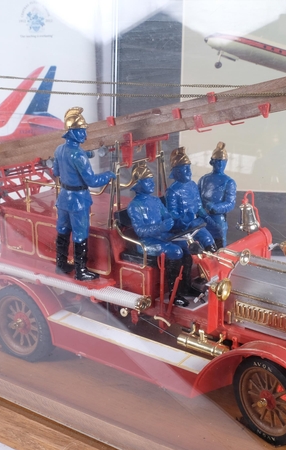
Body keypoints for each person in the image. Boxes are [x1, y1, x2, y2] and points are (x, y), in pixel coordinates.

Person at [53, 107, 115, 281]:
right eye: (81, 131)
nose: (84, 135)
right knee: (80, 234)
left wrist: (82, 157)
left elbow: (55, 171)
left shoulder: (59, 150)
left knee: (63, 230)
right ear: (71, 131)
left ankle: (61, 264)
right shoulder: (78, 156)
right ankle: (81, 270)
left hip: (64, 197)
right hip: (78, 201)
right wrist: (109, 175)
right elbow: (92, 181)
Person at [126, 163, 190, 307]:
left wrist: (177, 220)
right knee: (175, 251)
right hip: (146, 242)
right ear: (138, 184)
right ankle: (174, 294)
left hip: (162, 236)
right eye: (147, 181)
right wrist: (160, 227)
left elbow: (167, 216)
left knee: (185, 245)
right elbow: (140, 231)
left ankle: (185, 286)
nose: (152, 183)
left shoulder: (155, 201)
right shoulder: (134, 206)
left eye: (152, 180)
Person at [165, 147, 217, 253]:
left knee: (208, 239)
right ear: (177, 172)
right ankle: (187, 267)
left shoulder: (193, 185)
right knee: (190, 249)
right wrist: (183, 220)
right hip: (181, 228)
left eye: (189, 168)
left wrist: (207, 217)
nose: (189, 172)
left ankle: (212, 261)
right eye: (185, 169)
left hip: (195, 224)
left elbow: (198, 206)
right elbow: (172, 213)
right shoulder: (172, 191)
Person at [198, 142, 237, 248]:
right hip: (201, 218)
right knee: (201, 244)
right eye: (217, 161)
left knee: (218, 245)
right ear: (212, 162)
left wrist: (216, 207)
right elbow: (197, 198)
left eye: (223, 162)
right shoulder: (204, 179)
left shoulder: (229, 182)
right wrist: (199, 210)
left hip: (217, 219)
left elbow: (230, 203)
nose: (220, 164)